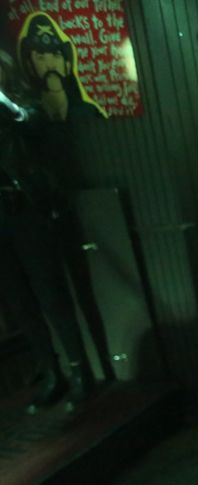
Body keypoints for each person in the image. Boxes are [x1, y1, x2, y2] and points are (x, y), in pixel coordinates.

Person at [1, 49, 89, 413]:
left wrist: (3, 103)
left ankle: (80, 370)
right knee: (19, 301)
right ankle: (51, 372)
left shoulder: (23, 105)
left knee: (51, 295)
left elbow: (32, 124)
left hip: (27, 212)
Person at [17, 12, 105, 121]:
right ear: (30, 67)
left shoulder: (90, 113)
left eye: (56, 55)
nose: (51, 66)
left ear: (67, 64)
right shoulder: (29, 120)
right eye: (40, 57)